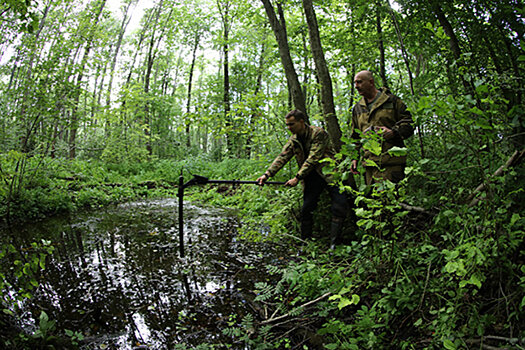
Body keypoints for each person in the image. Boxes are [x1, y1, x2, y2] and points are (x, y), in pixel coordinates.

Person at [257, 109, 351, 249]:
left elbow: (314, 157)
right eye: (287, 125)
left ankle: (334, 244)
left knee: (339, 205)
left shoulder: (318, 133)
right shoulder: (293, 139)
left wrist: (297, 177)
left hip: (330, 174)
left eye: (292, 124)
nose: (289, 128)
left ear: (301, 122)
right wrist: (267, 175)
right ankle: (305, 243)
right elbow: (282, 157)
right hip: (311, 177)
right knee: (306, 209)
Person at [350, 70, 414, 185]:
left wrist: (393, 132)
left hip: (391, 163)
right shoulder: (357, 108)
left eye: (359, 82)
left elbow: (409, 124)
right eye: (355, 83)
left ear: (371, 82)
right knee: (371, 201)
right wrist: (354, 158)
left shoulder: (392, 101)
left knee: (391, 200)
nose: (356, 86)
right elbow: (355, 137)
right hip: (369, 165)